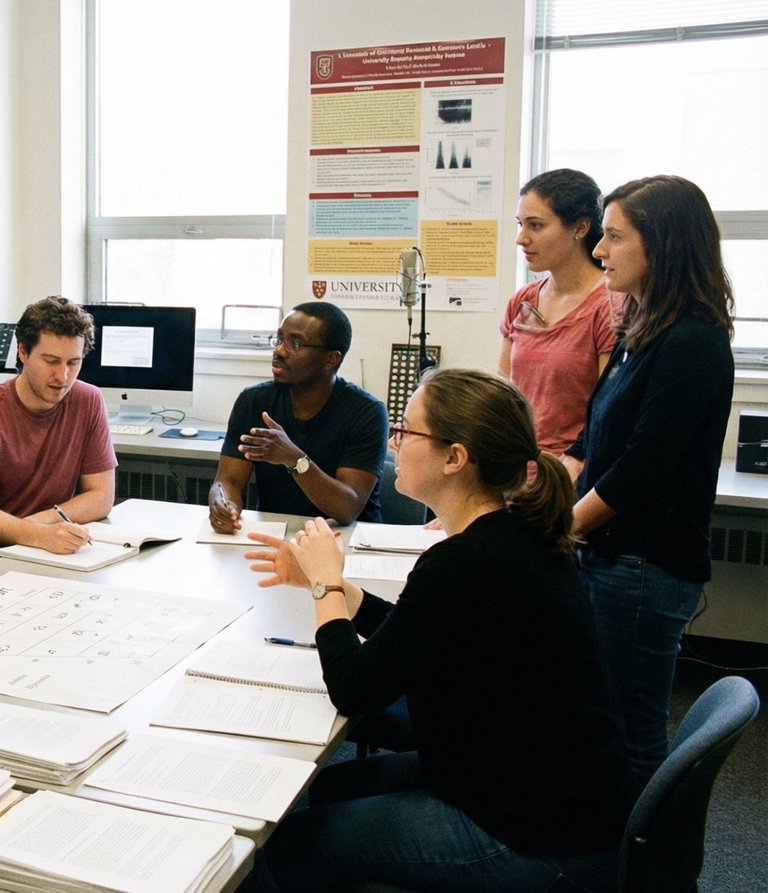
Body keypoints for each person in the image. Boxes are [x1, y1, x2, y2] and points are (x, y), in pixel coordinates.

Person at [242, 369, 626, 892]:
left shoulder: (466, 560)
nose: (394, 443)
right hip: (543, 786)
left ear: (455, 458)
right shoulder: (511, 536)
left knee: (282, 845)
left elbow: (354, 688)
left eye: (407, 431)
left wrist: (325, 588)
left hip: (533, 831)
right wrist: (334, 586)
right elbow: (420, 631)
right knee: (327, 789)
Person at [566, 175, 735, 796]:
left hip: (643, 566)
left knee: (632, 730)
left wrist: (560, 529)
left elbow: (641, 469)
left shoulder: (693, 341)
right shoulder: (641, 330)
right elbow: (592, 442)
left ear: (661, 244)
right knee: (603, 716)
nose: (599, 251)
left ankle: (639, 850)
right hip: (611, 557)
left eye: (614, 237)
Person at [0, 297, 116, 585]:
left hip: (44, 541)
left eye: (73, 362)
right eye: (51, 361)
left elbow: (101, 496)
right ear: (23, 352)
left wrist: (40, 526)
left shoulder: (88, 400)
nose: (63, 376)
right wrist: (40, 534)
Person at [209, 302, 387, 532]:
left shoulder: (367, 412)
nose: (279, 351)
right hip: (277, 532)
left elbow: (346, 509)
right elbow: (228, 480)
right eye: (279, 339)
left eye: (295, 344)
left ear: (330, 359)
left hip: (347, 538)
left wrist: (294, 459)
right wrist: (223, 503)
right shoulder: (254, 401)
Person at [500, 168, 623, 455]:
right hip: (516, 461)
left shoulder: (610, 306)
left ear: (580, 228)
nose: (521, 238)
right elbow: (502, 389)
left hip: (572, 465)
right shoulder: (523, 300)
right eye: (520, 224)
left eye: (536, 226)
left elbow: (608, 412)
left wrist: (570, 465)